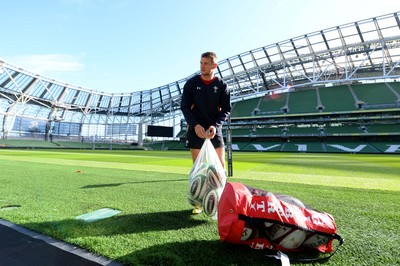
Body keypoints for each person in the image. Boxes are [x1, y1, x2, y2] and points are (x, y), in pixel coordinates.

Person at [180, 52, 231, 213]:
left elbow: (226, 109)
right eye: (201, 63)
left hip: (214, 130)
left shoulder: (222, 86)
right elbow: (185, 107)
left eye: (206, 63)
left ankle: (220, 200)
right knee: (199, 168)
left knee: (220, 166)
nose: (202, 66)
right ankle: (198, 203)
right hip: (196, 130)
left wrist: (216, 125)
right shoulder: (191, 83)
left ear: (214, 66)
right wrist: (194, 125)